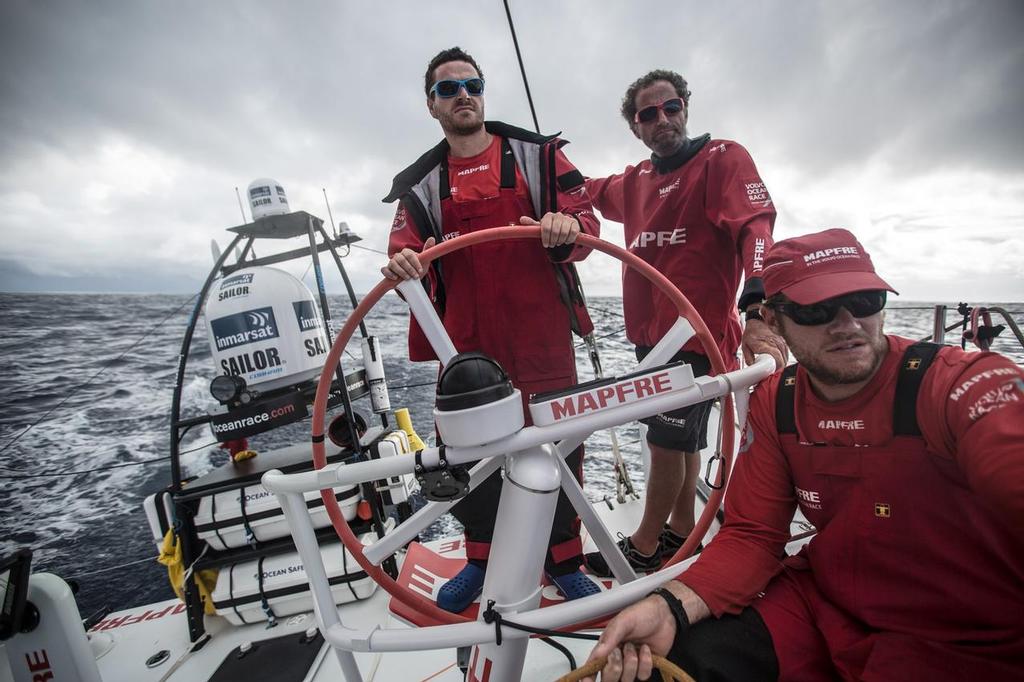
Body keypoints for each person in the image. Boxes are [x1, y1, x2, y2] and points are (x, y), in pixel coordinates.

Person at [583, 228, 1024, 681]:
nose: (849, 323)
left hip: (971, 630)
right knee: (668, 664)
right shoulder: (778, 402)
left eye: (866, 300)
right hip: (827, 608)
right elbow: (754, 535)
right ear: (773, 321)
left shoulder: (954, 382)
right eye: (817, 310)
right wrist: (670, 606)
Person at [381, 47, 601, 613]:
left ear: (483, 92)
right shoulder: (421, 185)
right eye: (447, 89)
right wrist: (405, 264)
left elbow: (587, 225)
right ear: (431, 106)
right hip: (466, 346)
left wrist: (566, 224)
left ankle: (565, 558)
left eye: (471, 85)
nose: (462, 96)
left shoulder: (538, 156)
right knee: (465, 452)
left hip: (542, 334)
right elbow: (401, 254)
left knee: (561, 443)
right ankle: (480, 557)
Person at [584, 70, 787, 576]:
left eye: (670, 107)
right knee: (685, 440)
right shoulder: (634, 182)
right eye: (647, 114)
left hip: (697, 337)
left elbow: (756, 228)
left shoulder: (722, 160)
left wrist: (757, 304)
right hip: (649, 342)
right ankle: (681, 530)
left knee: (665, 442)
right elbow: (579, 190)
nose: (662, 120)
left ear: (685, 107)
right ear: (636, 127)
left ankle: (646, 548)